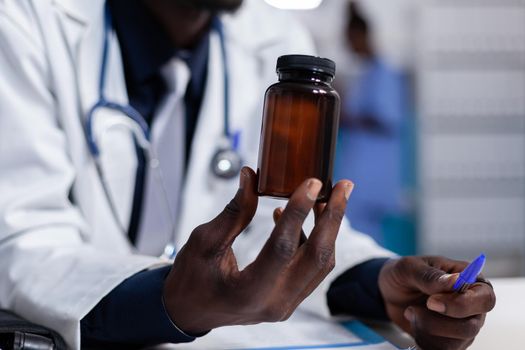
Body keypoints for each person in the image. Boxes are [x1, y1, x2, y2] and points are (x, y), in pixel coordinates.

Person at [0, 0, 495, 349]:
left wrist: (377, 284)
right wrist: (168, 302)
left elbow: (274, 225)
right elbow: (22, 242)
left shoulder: (273, 41)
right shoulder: (26, 20)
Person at [335, 1, 409, 244]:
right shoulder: (366, 74)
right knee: (354, 230)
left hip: (372, 171)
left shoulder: (384, 73)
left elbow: (388, 119)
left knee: (365, 235)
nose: (347, 45)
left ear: (360, 35)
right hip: (360, 167)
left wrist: (347, 116)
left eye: (349, 38)